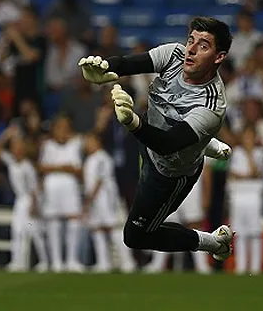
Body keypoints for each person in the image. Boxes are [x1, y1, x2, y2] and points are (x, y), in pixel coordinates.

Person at [78, 17, 234, 260]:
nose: (190, 50)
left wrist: (132, 122)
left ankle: (214, 243)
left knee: (135, 236)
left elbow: (166, 145)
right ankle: (204, 143)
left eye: (203, 46)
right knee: (175, 130)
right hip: (150, 135)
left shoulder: (212, 105)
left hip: (170, 171)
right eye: (190, 40)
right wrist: (104, 68)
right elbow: (128, 64)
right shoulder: (173, 54)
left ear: (219, 57)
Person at [0, 125, 49, 273]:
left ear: (22, 150)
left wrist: (34, 204)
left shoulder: (27, 166)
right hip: (20, 201)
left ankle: (44, 261)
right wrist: (7, 134)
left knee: (34, 231)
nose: (14, 150)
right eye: (13, 147)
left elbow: (34, 188)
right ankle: (18, 261)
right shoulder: (11, 162)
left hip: (29, 200)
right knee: (17, 231)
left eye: (17, 147)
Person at [143, 160, 213, 274]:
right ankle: (157, 264)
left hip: (192, 185)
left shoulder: (201, 144)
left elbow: (207, 172)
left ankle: (202, 265)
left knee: (194, 224)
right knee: (165, 224)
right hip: (171, 185)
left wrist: (206, 195)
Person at [82, 133, 136, 273]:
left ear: (97, 141)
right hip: (95, 199)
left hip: (104, 198)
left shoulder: (102, 158)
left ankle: (128, 262)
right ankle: (103, 262)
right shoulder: (89, 159)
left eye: (89, 141)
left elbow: (99, 181)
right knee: (97, 229)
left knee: (112, 227)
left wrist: (89, 200)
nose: (86, 145)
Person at [39, 115, 85, 273]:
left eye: (65, 127)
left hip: (70, 188)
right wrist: (64, 168)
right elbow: (42, 167)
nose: (62, 131)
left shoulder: (75, 144)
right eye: (59, 127)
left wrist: (58, 168)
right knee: (53, 223)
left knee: (74, 221)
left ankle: (72, 260)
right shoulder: (48, 145)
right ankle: (56, 261)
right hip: (52, 188)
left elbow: (78, 169)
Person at [228, 126, 263, 275]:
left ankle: (256, 268)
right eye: (245, 137)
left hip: (253, 196)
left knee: (255, 232)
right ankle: (241, 266)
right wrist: (245, 176)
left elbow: (255, 172)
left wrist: (250, 154)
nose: (247, 140)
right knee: (240, 232)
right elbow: (232, 173)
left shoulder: (260, 153)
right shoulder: (236, 153)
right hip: (238, 195)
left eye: (250, 137)